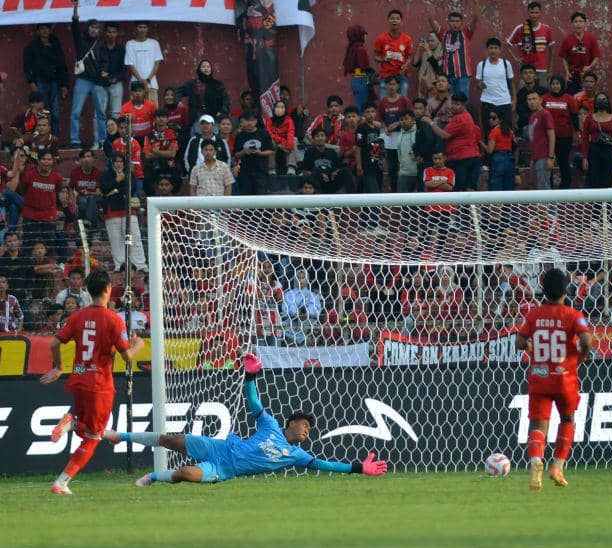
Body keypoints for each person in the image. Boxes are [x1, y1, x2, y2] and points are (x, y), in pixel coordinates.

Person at [103, 353, 387, 485]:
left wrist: (357, 468)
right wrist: (251, 376)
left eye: (310, 429)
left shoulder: (296, 455)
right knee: (169, 439)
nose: (306, 431)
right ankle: (120, 435)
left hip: (225, 469)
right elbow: (254, 403)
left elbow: (325, 465)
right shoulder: (272, 425)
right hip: (221, 448)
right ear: (292, 422)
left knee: (185, 474)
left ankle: (153, 477)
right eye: (304, 425)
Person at [40, 270, 145, 494]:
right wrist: (139, 345)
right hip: (99, 384)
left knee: (90, 430)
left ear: (88, 290)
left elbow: (53, 344)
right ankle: (61, 483)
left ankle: (71, 423)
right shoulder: (114, 320)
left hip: (79, 377)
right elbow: (127, 357)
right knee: (93, 438)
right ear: (108, 289)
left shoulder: (77, 316)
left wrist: (59, 367)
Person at [514, 268, 593, 491]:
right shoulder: (572, 315)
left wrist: (533, 348)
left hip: (539, 378)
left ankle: (536, 460)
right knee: (567, 419)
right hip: (565, 378)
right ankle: (557, 466)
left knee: (538, 424)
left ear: (543, 290)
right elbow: (587, 340)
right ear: (566, 290)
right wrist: (580, 357)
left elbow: (519, 343)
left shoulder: (534, 315)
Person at [69, 0, 108, 148]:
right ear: (88, 28)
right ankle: (74, 140)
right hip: (83, 80)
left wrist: (104, 71)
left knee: (101, 114)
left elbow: (105, 61)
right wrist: (76, 8)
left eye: (96, 28)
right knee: (76, 112)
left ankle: (102, 140)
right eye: (92, 27)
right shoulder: (80, 40)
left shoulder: (100, 45)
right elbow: (74, 25)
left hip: (97, 82)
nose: (94, 30)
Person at [423, 92, 481, 192]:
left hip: (461, 159)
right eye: (452, 103)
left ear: (464, 105)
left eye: (457, 104)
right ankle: (471, 208)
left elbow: (444, 135)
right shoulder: (467, 116)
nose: (453, 106)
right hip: (472, 156)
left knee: (458, 190)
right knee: (469, 189)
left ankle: (462, 208)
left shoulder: (460, 118)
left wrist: (430, 122)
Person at [426, 0, 480, 98]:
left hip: (463, 76)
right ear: (448, 23)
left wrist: (476, 4)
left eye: (457, 21)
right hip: (448, 77)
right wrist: (431, 3)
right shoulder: (443, 34)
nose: (455, 24)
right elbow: (431, 20)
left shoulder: (466, 34)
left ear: (461, 23)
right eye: (452, 21)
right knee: (449, 105)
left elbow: (475, 19)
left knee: (462, 104)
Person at [100, 153, 147, 272]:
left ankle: (140, 264)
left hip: (128, 208)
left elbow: (132, 188)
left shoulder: (130, 174)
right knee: (116, 239)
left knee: (135, 237)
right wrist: (117, 180)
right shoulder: (106, 174)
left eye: (121, 161)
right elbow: (104, 188)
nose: (118, 163)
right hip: (111, 210)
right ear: (112, 163)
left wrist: (114, 189)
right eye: (116, 161)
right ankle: (120, 265)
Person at [23, 23, 69, 137]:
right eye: (41, 29)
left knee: (55, 113)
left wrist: (64, 85)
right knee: (41, 112)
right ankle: (41, 140)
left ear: (50, 30)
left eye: (46, 28)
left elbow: (62, 65)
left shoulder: (55, 45)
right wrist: (31, 82)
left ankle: (55, 140)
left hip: (54, 82)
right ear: (37, 31)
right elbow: (27, 66)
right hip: (40, 81)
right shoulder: (32, 46)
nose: (44, 31)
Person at [506, 1, 557, 87]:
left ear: (540, 13)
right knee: (524, 95)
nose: (534, 15)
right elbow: (507, 45)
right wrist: (516, 58)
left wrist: (550, 69)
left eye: (536, 12)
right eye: (532, 12)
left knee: (541, 96)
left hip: (541, 70)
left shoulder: (546, 29)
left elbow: (552, 47)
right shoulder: (520, 29)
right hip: (526, 70)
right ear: (528, 12)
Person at [541, 76, 579, 189]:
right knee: (549, 165)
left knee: (563, 163)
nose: (555, 86)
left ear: (562, 85)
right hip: (548, 139)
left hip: (565, 137)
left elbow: (574, 117)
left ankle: (564, 190)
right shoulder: (544, 98)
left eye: (557, 83)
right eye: (553, 84)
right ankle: (550, 189)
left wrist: (577, 133)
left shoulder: (568, 98)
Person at [378, 77, 412, 192]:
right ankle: (393, 193)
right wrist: (385, 128)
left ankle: (405, 191)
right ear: (386, 86)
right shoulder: (383, 102)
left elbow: (410, 116)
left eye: (394, 84)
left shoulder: (404, 100)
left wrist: (397, 123)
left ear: (398, 86)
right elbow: (381, 118)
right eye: (389, 84)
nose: (391, 87)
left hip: (403, 135)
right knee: (392, 167)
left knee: (403, 164)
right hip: (390, 138)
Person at [474, 38, 516, 133]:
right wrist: (479, 86)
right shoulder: (482, 65)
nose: (493, 50)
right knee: (488, 133)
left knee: (507, 133)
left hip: (504, 102)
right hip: (487, 103)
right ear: (487, 50)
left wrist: (514, 100)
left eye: (495, 48)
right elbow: (477, 86)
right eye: (491, 48)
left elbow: (512, 82)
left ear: (499, 50)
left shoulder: (506, 64)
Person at [580, 92, 612, 189]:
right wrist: (585, 157)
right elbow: (585, 138)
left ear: (607, 102)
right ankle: (596, 205)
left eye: (604, 99)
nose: (601, 102)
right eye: (599, 99)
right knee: (594, 182)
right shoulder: (590, 118)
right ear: (595, 102)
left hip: (608, 153)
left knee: (607, 182)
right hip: (594, 152)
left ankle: (606, 204)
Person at [374, 9, 414, 98]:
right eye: (392, 18)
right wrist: (383, 59)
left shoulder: (407, 39)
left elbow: (410, 56)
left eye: (397, 18)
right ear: (388, 20)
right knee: (384, 101)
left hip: (401, 75)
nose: (394, 20)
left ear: (401, 22)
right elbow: (375, 56)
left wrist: (406, 65)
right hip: (385, 75)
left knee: (402, 101)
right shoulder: (380, 38)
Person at [233, 111, 275, 195]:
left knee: (261, 198)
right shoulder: (240, 135)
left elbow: (271, 151)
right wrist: (244, 152)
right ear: (243, 121)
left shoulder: (263, 133)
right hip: (245, 172)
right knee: (246, 198)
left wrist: (260, 153)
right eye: (247, 120)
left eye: (252, 120)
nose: (249, 123)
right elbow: (236, 154)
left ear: (256, 121)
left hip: (261, 171)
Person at [559, 12, 601, 94]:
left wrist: (590, 67)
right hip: (573, 74)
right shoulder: (568, 39)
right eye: (576, 21)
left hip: (587, 75)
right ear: (572, 23)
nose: (578, 24)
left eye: (581, 21)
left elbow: (597, 57)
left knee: (587, 98)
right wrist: (567, 72)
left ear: (585, 23)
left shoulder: (591, 38)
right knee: (573, 99)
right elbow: (563, 57)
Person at [176, 60, 231, 125]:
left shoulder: (217, 84)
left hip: (213, 117)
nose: (206, 68)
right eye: (203, 66)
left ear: (211, 69)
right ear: (199, 69)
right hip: (196, 117)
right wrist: (178, 101)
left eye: (208, 67)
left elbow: (226, 100)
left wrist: (222, 112)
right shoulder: (192, 83)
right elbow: (178, 91)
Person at [124, 20, 163, 105]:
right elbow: (130, 64)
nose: (142, 30)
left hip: (152, 84)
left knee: (153, 112)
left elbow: (157, 64)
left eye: (144, 27)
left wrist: (148, 80)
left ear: (148, 29)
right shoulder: (130, 44)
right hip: (135, 85)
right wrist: (142, 81)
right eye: (140, 27)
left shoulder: (154, 43)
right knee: (135, 112)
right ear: (135, 29)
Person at [525, 90, 556, 189]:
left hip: (544, 156)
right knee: (540, 187)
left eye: (534, 99)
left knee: (544, 187)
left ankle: (551, 205)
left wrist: (550, 157)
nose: (532, 102)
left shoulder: (545, 114)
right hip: (536, 157)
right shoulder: (532, 116)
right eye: (529, 99)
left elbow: (552, 135)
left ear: (540, 100)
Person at [481, 110, 517, 191]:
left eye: (493, 118)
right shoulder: (510, 131)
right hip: (510, 158)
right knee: (509, 186)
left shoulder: (494, 132)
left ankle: (497, 204)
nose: (490, 120)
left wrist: (481, 143)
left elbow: (490, 150)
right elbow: (515, 145)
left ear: (500, 120)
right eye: (489, 118)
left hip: (498, 158)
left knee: (496, 185)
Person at [99, 22, 126, 121]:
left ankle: (115, 137)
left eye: (114, 32)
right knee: (99, 113)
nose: (111, 35)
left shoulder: (120, 49)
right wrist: (100, 73)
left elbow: (123, 69)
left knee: (116, 113)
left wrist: (113, 78)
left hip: (116, 82)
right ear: (105, 33)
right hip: (101, 83)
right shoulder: (99, 47)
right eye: (109, 32)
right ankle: (99, 137)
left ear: (117, 33)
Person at [514, 64, 548, 140]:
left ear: (535, 76)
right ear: (521, 76)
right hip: (525, 127)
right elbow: (520, 112)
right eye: (525, 73)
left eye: (530, 73)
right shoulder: (520, 93)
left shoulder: (544, 92)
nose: (528, 75)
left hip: (541, 126)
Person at [343, 24, 372, 108]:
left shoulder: (352, 47)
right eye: (363, 34)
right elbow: (365, 66)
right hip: (361, 79)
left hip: (355, 79)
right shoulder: (360, 49)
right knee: (363, 108)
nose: (365, 36)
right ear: (359, 36)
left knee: (360, 105)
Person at [265, 100, 296, 175]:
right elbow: (268, 134)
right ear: (274, 109)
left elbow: (291, 132)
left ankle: (291, 167)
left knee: (294, 140)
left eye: (282, 107)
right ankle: (271, 168)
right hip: (275, 141)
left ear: (285, 109)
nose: (279, 109)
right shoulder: (269, 121)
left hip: (285, 142)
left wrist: (288, 144)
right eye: (277, 107)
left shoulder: (289, 120)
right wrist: (280, 141)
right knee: (270, 141)